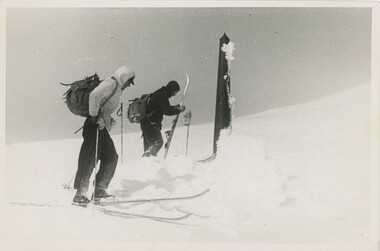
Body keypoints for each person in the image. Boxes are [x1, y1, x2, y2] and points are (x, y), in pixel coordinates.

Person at [72, 66, 135, 206]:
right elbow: (94, 95)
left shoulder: (117, 89)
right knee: (90, 159)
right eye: (129, 81)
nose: (129, 85)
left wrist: (108, 120)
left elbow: (104, 107)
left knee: (111, 157)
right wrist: (94, 117)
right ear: (124, 77)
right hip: (94, 125)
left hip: (101, 126)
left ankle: (99, 189)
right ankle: (80, 195)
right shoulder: (111, 83)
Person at [140, 80, 186, 157]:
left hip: (146, 124)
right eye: (175, 92)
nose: (174, 95)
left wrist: (175, 107)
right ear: (171, 89)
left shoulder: (160, 93)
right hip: (151, 124)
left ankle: (148, 165)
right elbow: (167, 111)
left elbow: (163, 108)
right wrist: (179, 110)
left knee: (149, 148)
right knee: (158, 143)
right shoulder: (162, 95)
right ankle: (148, 159)